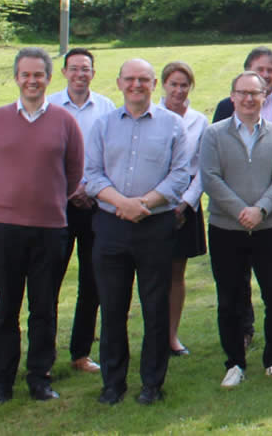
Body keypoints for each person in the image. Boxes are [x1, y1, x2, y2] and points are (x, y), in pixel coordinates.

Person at [0, 47, 85, 406]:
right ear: (16, 78)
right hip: (6, 227)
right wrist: (13, 198)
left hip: (51, 228)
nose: (32, 80)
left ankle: (39, 377)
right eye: (25, 74)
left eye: (38, 74)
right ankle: (1, 382)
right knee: (6, 307)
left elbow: (74, 173)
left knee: (44, 307)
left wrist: (47, 199)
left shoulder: (64, 122)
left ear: (48, 78)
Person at [85, 59, 193, 405]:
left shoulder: (173, 125)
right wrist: (122, 204)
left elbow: (179, 176)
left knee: (155, 308)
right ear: (118, 83)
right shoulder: (102, 125)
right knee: (113, 308)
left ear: (152, 84)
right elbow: (92, 174)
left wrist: (142, 203)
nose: (137, 85)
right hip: (111, 226)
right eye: (130, 79)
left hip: (155, 226)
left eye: (143, 79)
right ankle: (113, 384)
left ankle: (152, 384)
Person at [202, 71, 272, 387]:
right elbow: (210, 178)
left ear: (264, 97)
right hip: (226, 229)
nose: (248, 99)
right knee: (230, 298)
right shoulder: (214, 134)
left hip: (268, 228)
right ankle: (234, 363)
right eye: (242, 93)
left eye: (255, 94)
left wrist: (260, 209)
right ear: (232, 97)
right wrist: (240, 210)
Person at [213, 47, 272, 353]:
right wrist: (239, 207)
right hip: (232, 211)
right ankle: (243, 330)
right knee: (237, 274)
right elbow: (214, 166)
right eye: (260, 70)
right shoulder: (224, 110)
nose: (266, 76)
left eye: (271, 71)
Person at [48, 48, 115, 375]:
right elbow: (44, 159)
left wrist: (90, 190)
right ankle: (43, 354)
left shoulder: (106, 107)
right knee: (49, 281)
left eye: (85, 69)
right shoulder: (49, 106)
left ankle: (81, 352)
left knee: (93, 281)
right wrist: (70, 189)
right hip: (56, 206)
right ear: (64, 72)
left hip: (95, 205)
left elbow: (111, 154)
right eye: (74, 69)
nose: (80, 74)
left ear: (93, 73)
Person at [157, 62, 209, 358]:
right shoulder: (152, 115)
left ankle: (172, 336)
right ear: (164, 85)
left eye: (184, 85)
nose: (178, 90)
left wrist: (186, 202)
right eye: (173, 84)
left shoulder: (198, 121)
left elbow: (203, 167)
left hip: (185, 201)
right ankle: (154, 334)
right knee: (152, 273)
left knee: (177, 272)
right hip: (152, 199)